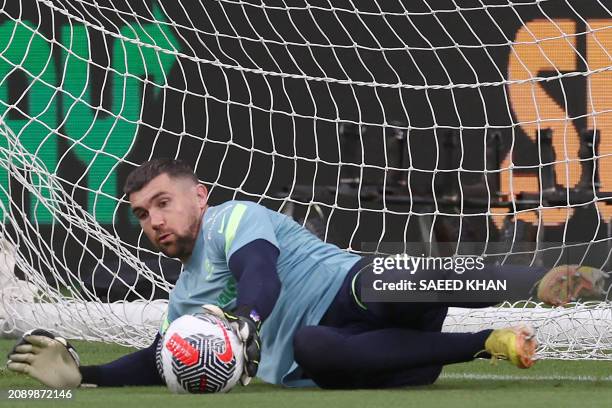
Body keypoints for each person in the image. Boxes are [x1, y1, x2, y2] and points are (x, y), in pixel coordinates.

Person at [6, 158, 607, 389]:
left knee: (387, 276)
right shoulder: (184, 300)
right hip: (372, 361)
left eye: (163, 203)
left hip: (367, 299)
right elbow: (162, 355)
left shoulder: (233, 221)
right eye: (142, 214)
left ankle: (544, 282)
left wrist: (246, 323)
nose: (154, 220)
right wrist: (86, 374)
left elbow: (259, 273)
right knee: (311, 347)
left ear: (200, 197)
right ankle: (486, 344)